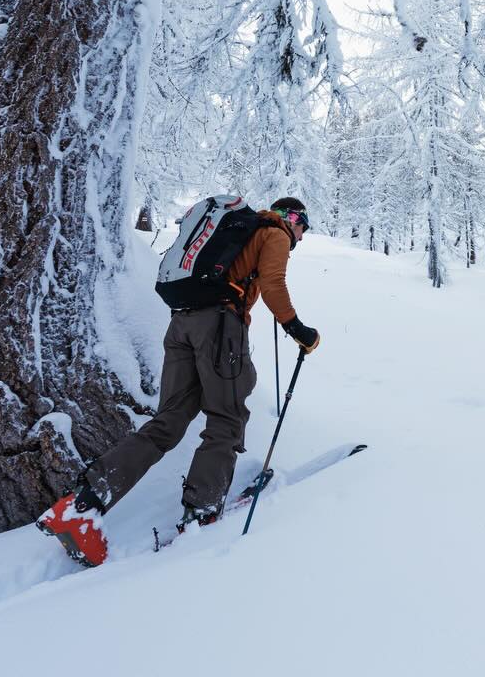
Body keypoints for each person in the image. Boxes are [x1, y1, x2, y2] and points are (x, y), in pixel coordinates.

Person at [36, 197, 320, 566]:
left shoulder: (244, 231)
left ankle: (82, 503)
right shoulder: (275, 232)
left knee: (167, 422)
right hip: (219, 326)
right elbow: (273, 282)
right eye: (303, 226)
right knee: (227, 418)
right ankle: (201, 513)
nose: (301, 235)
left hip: (181, 323)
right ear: (292, 218)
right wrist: (298, 329)